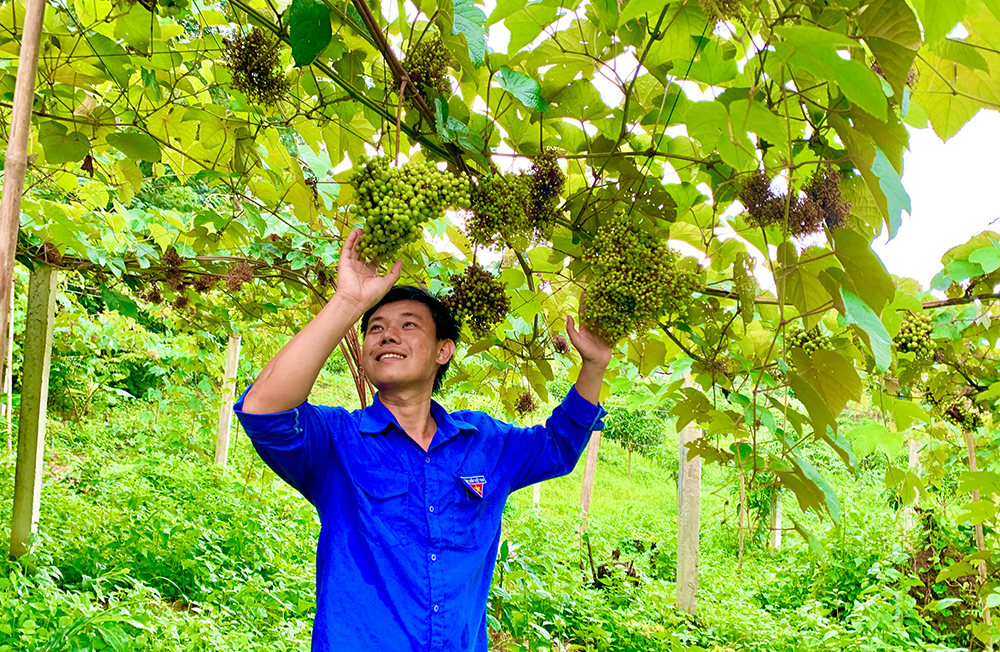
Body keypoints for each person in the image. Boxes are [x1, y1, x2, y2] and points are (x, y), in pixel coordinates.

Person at [235, 228, 612, 652]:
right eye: (375, 329)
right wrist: (347, 303)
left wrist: (594, 365)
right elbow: (264, 410)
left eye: (408, 325)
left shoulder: (485, 442)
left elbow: (558, 448)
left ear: (443, 351)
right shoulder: (337, 443)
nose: (387, 335)